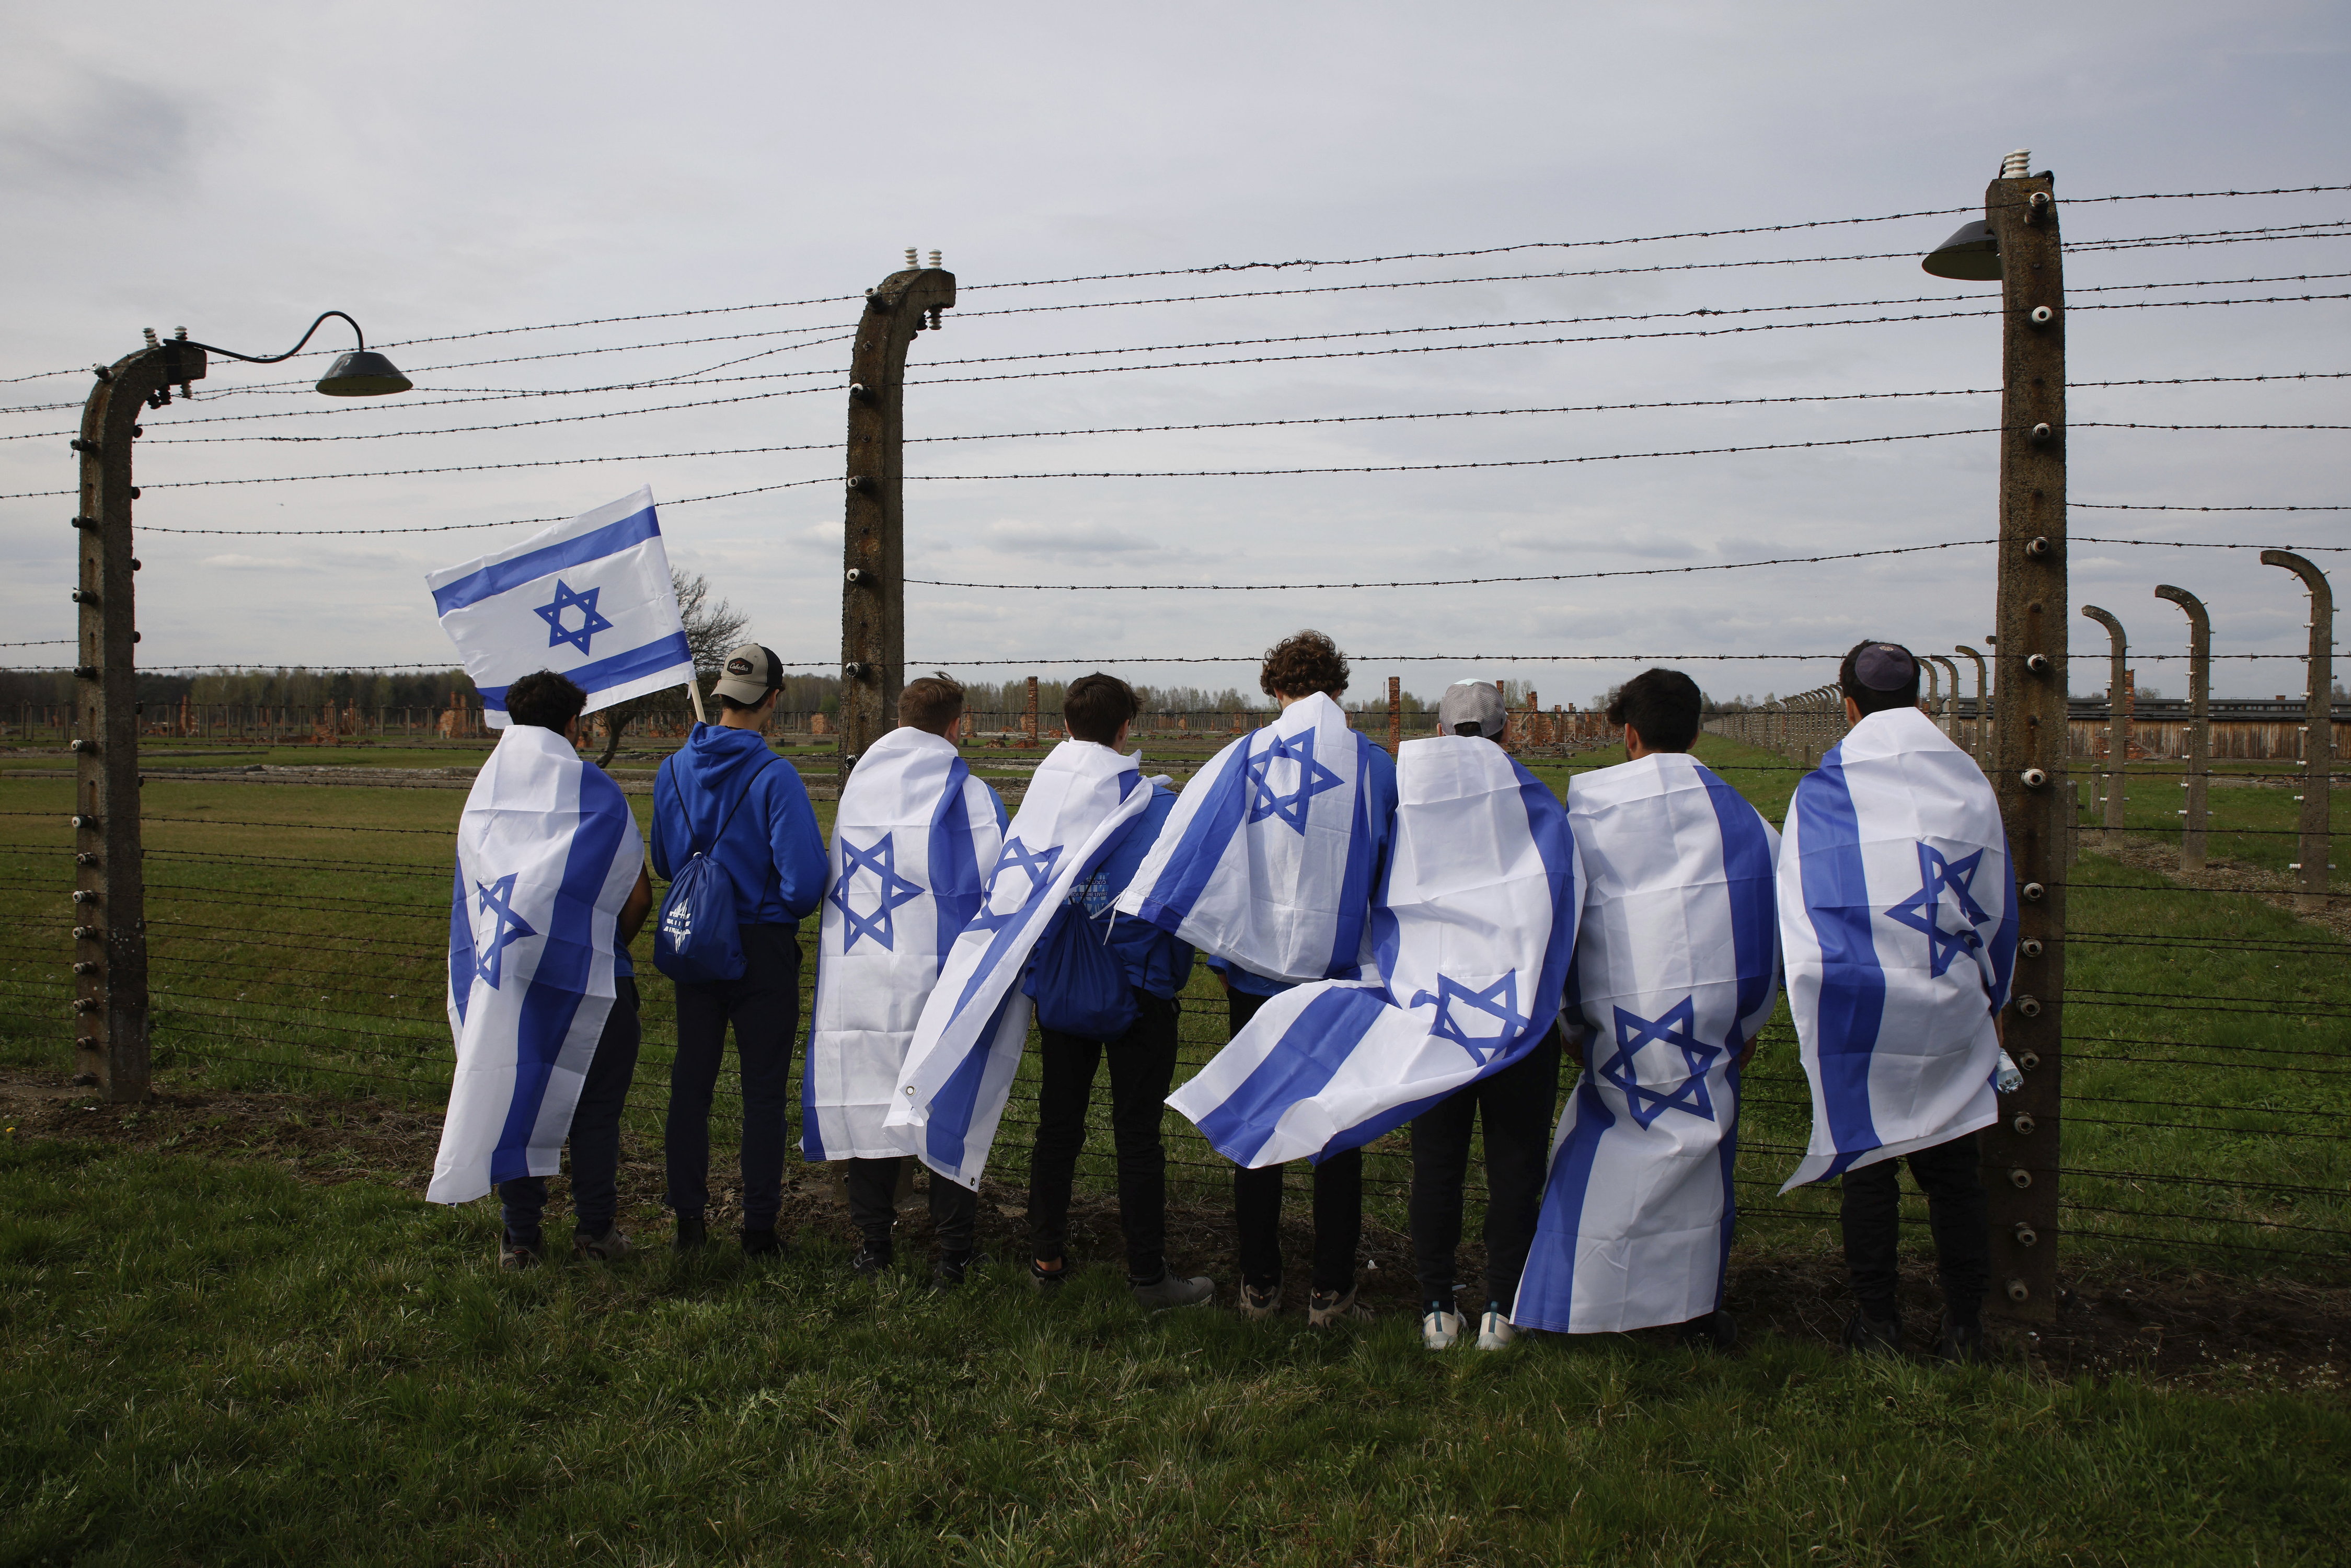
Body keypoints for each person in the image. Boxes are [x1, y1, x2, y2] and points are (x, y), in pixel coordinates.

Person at [1115, 630, 1398, 1326]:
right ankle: (1332, 1291)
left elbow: (1210, 855)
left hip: (1253, 981)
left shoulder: (1239, 759)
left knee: (1260, 1124)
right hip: (1337, 981)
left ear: (1274, 690)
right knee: (1337, 1132)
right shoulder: (1372, 766)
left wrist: (1224, 951)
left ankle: (1258, 1285)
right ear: (1338, 689)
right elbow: (1393, 870)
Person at [1513, 668, 1780, 1349]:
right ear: (1696, 733)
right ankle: (1689, 1312)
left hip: (1616, 1032)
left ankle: (1579, 1304)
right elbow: (1766, 930)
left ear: (1626, 735)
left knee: (1599, 1161)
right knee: (1697, 1172)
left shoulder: (1583, 824)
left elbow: (1564, 923)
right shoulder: (1747, 826)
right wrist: (1746, 1025)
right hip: (1703, 1033)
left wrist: (1571, 1023)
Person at [1777, 640, 2018, 1364]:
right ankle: (1965, 1324)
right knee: (1953, 1175)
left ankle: (1876, 1322)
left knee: (1870, 1166)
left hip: (1862, 1003)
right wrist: (1992, 996)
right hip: (1947, 1002)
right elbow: (1993, 899)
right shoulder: (1967, 784)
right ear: (1917, 696)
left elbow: (1803, 902)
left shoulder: (1824, 791)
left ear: (1845, 704)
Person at [428, 668, 652, 1269]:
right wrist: (599, 950)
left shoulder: (484, 802)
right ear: (573, 725)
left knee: (516, 1095)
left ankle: (519, 1239)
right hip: (595, 982)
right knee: (596, 1114)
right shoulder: (597, 792)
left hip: (507, 981)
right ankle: (595, 1234)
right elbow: (636, 898)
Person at [1021, 673, 1216, 1310]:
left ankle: (1046, 1257)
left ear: (1067, 728)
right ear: (1126, 729)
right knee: (1136, 1135)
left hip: (1065, 985)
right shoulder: (1160, 809)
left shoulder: (1043, 803)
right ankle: (1147, 1276)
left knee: (1058, 1125)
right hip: (1139, 994)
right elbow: (1183, 902)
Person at [803, 673, 1005, 1286]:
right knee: (942, 1093)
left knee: (865, 1094)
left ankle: (872, 1246)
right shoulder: (969, 794)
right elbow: (994, 880)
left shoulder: (858, 790)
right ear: (957, 725)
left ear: (899, 718)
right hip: (937, 974)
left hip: (861, 972)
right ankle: (953, 1253)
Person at [1408, 681, 1575, 1352]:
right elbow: (1563, 903)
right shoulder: (1540, 805)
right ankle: (1501, 1307)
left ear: (1441, 735)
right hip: (1520, 1012)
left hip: (1437, 1008)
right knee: (1514, 1164)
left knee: (1438, 1160)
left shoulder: (1413, 806)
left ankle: (1436, 1307)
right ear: (1509, 734)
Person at [651, 643, 828, 1255]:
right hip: (759, 944)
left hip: (697, 940)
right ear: (772, 700)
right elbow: (805, 885)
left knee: (691, 1084)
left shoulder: (671, 771)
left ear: (722, 693)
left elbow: (663, 862)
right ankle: (758, 1229)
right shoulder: (774, 776)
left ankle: (689, 1226)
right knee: (761, 1092)